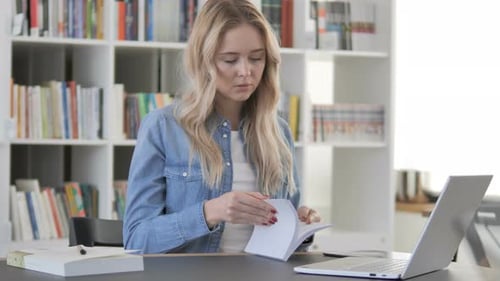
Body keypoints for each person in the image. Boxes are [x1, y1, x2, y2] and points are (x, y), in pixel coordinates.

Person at [123, 0, 320, 254]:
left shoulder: (278, 133)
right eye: (230, 60)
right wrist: (209, 212)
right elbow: (136, 240)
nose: (246, 72)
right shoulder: (163, 128)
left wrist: (301, 228)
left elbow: (284, 242)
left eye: (256, 58)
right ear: (204, 62)